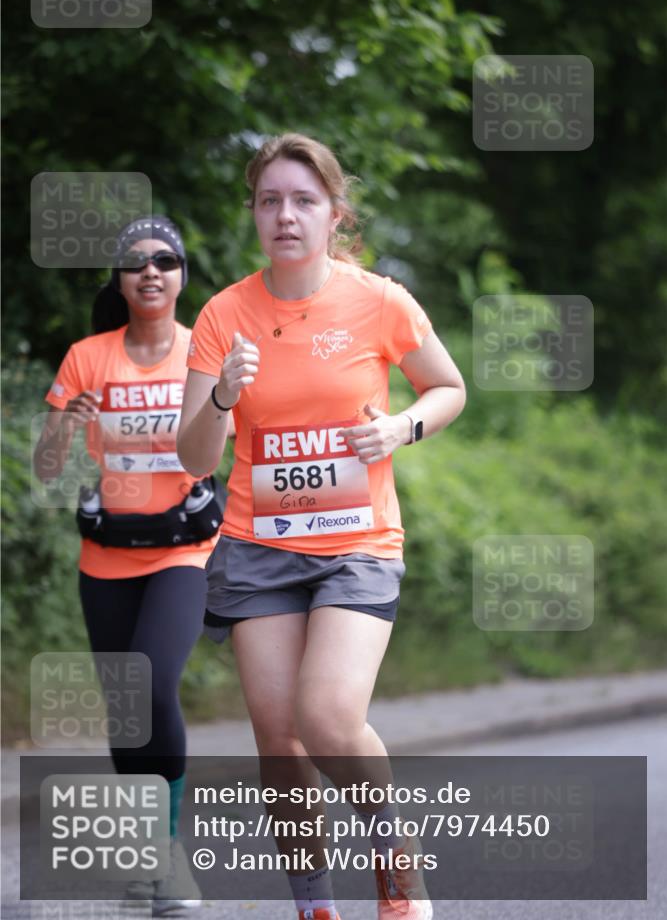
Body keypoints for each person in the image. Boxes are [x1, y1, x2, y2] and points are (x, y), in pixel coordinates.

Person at [177, 134, 466, 920]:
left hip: (357, 544)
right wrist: (223, 398)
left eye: (303, 200)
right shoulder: (223, 314)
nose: (285, 215)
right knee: (279, 739)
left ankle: (396, 863)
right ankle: (314, 904)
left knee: (327, 717)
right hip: (257, 545)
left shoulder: (378, 300)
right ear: (255, 214)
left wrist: (401, 429)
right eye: (269, 200)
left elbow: (447, 386)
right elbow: (195, 456)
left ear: (334, 213)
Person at [33, 215, 220, 915]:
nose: (150, 271)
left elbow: (240, 435)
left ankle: (169, 857)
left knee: (151, 685)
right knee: (124, 708)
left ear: (180, 276)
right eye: (136, 261)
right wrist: (60, 423)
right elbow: (48, 468)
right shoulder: (88, 355)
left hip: (182, 550)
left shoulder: (205, 350)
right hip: (106, 553)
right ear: (119, 277)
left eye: (165, 260)